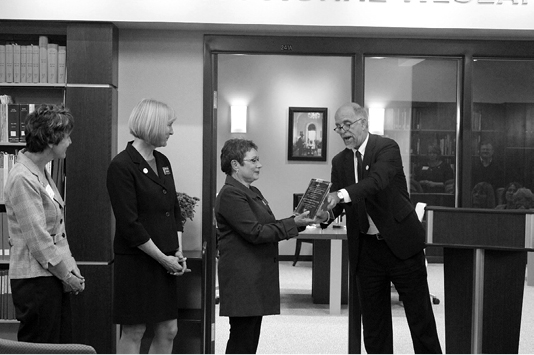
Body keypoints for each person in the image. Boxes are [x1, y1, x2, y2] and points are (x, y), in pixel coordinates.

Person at [324, 102, 442, 354]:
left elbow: (375, 182)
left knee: (420, 320)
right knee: (374, 326)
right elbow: (338, 203)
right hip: (366, 251)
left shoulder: (386, 147)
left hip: (401, 244)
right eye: (338, 127)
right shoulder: (340, 161)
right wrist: (323, 213)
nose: (343, 131)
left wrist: (340, 194)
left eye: (347, 124)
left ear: (364, 123)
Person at [215, 138, 326, 354]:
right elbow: (256, 233)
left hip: (254, 276)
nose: (259, 164)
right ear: (235, 165)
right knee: (241, 340)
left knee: (248, 338)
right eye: (253, 160)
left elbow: (269, 225)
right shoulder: (231, 194)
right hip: (242, 278)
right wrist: (294, 223)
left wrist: (299, 221)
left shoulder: (251, 191)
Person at [107, 99, 188, 354]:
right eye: (169, 125)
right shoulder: (121, 166)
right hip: (136, 261)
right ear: (153, 125)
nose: (172, 131)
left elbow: (174, 209)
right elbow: (130, 225)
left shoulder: (163, 161)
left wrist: (177, 251)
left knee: (169, 329)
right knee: (134, 331)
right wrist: (163, 259)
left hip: (165, 258)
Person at [4, 104, 85, 343]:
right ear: (51, 140)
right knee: (41, 347)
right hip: (35, 281)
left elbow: (57, 231)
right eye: (67, 136)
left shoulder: (41, 171)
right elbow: (39, 241)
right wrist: (67, 276)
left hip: (50, 277)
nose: (70, 142)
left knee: (58, 345)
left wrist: (71, 267)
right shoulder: (22, 178)